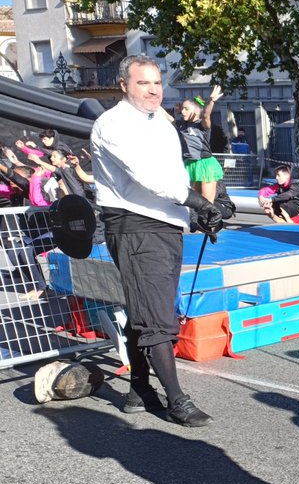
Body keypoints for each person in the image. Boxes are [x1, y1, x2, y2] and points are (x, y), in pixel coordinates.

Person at [90, 54, 223, 427]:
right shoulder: (112, 124)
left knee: (146, 309)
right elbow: (148, 177)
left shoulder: (161, 123)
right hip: (133, 226)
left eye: (157, 83)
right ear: (123, 85)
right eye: (143, 83)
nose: (152, 90)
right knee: (157, 318)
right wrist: (196, 201)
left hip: (163, 224)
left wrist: (198, 213)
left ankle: (138, 390)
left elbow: (173, 177)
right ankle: (177, 400)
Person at [176, 85, 226, 203]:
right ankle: (197, 221)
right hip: (191, 164)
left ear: (196, 110)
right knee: (195, 202)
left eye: (186, 109)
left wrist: (211, 101)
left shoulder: (202, 124)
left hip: (205, 164)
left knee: (206, 202)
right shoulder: (182, 125)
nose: (182, 111)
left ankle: (214, 219)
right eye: (182, 108)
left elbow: (206, 115)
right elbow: (166, 116)